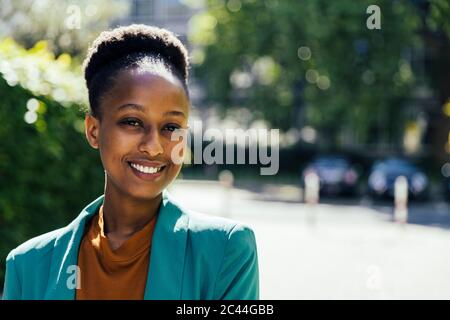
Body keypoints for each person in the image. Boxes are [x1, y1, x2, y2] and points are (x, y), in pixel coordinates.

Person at [2, 24, 259, 300]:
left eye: (171, 126)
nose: (154, 146)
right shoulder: (28, 266)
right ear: (93, 130)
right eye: (132, 122)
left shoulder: (225, 251)